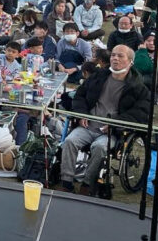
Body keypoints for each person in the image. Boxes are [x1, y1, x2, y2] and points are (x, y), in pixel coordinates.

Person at [59, 45, 151, 194]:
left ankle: (87, 183)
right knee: (69, 141)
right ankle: (66, 181)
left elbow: (140, 113)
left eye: (120, 56)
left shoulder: (138, 87)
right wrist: (82, 114)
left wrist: (115, 124)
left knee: (100, 148)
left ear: (130, 61)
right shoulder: (99, 76)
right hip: (88, 125)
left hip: (112, 132)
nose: (115, 58)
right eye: (113, 55)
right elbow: (79, 96)